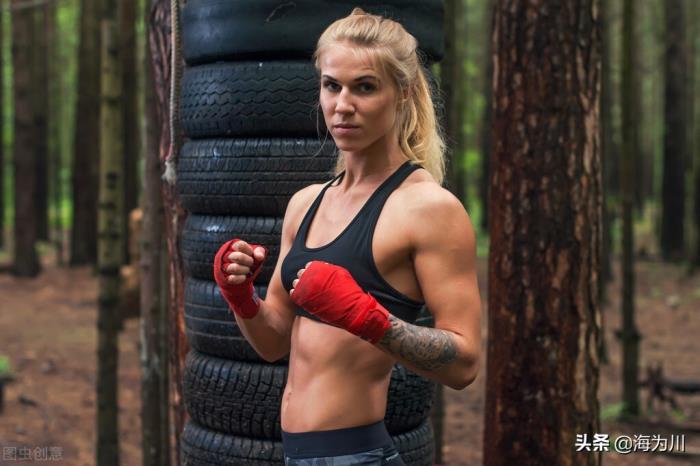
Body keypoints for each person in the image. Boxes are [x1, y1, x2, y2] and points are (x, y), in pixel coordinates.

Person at [212, 8, 481, 465]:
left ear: (403, 92)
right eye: (331, 85)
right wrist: (241, 298)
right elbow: (273, 343)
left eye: (365, 87)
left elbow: (465, 363)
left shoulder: (429, 209)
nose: (342, 105)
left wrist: (368, 319)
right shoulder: (306, 204)